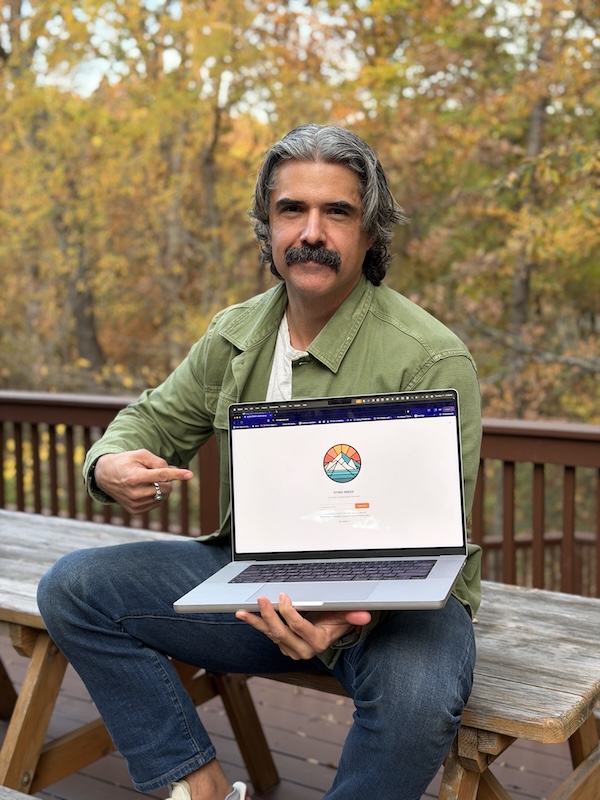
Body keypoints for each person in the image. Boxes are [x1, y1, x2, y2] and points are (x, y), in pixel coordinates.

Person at [38, 123, 482, 800]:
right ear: (266, 228)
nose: (312, 232)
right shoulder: (236, 333)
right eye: (290, 210)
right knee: (74, 587)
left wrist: (337, 616)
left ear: (370, 233)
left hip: (395, 601)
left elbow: (431, 545)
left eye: (337, 212)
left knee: (419, 698)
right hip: (254, 580)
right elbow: (150, 419)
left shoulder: (429, 357)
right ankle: (198, 783)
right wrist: (109, 465)